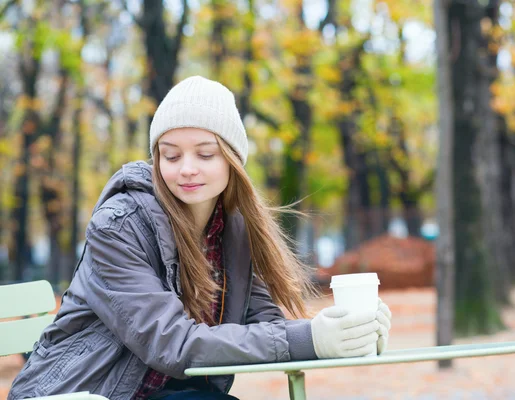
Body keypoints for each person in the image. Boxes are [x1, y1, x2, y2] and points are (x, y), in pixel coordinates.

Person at [8, 76, 392, 400]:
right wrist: (311, 339)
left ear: (232, 160)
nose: (187, 170)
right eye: (171, 156)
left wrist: (346, 329)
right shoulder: (118, 226)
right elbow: (171, 344)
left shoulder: (233, 229)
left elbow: (265, 326)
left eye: (205, 154)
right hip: (79, 394)